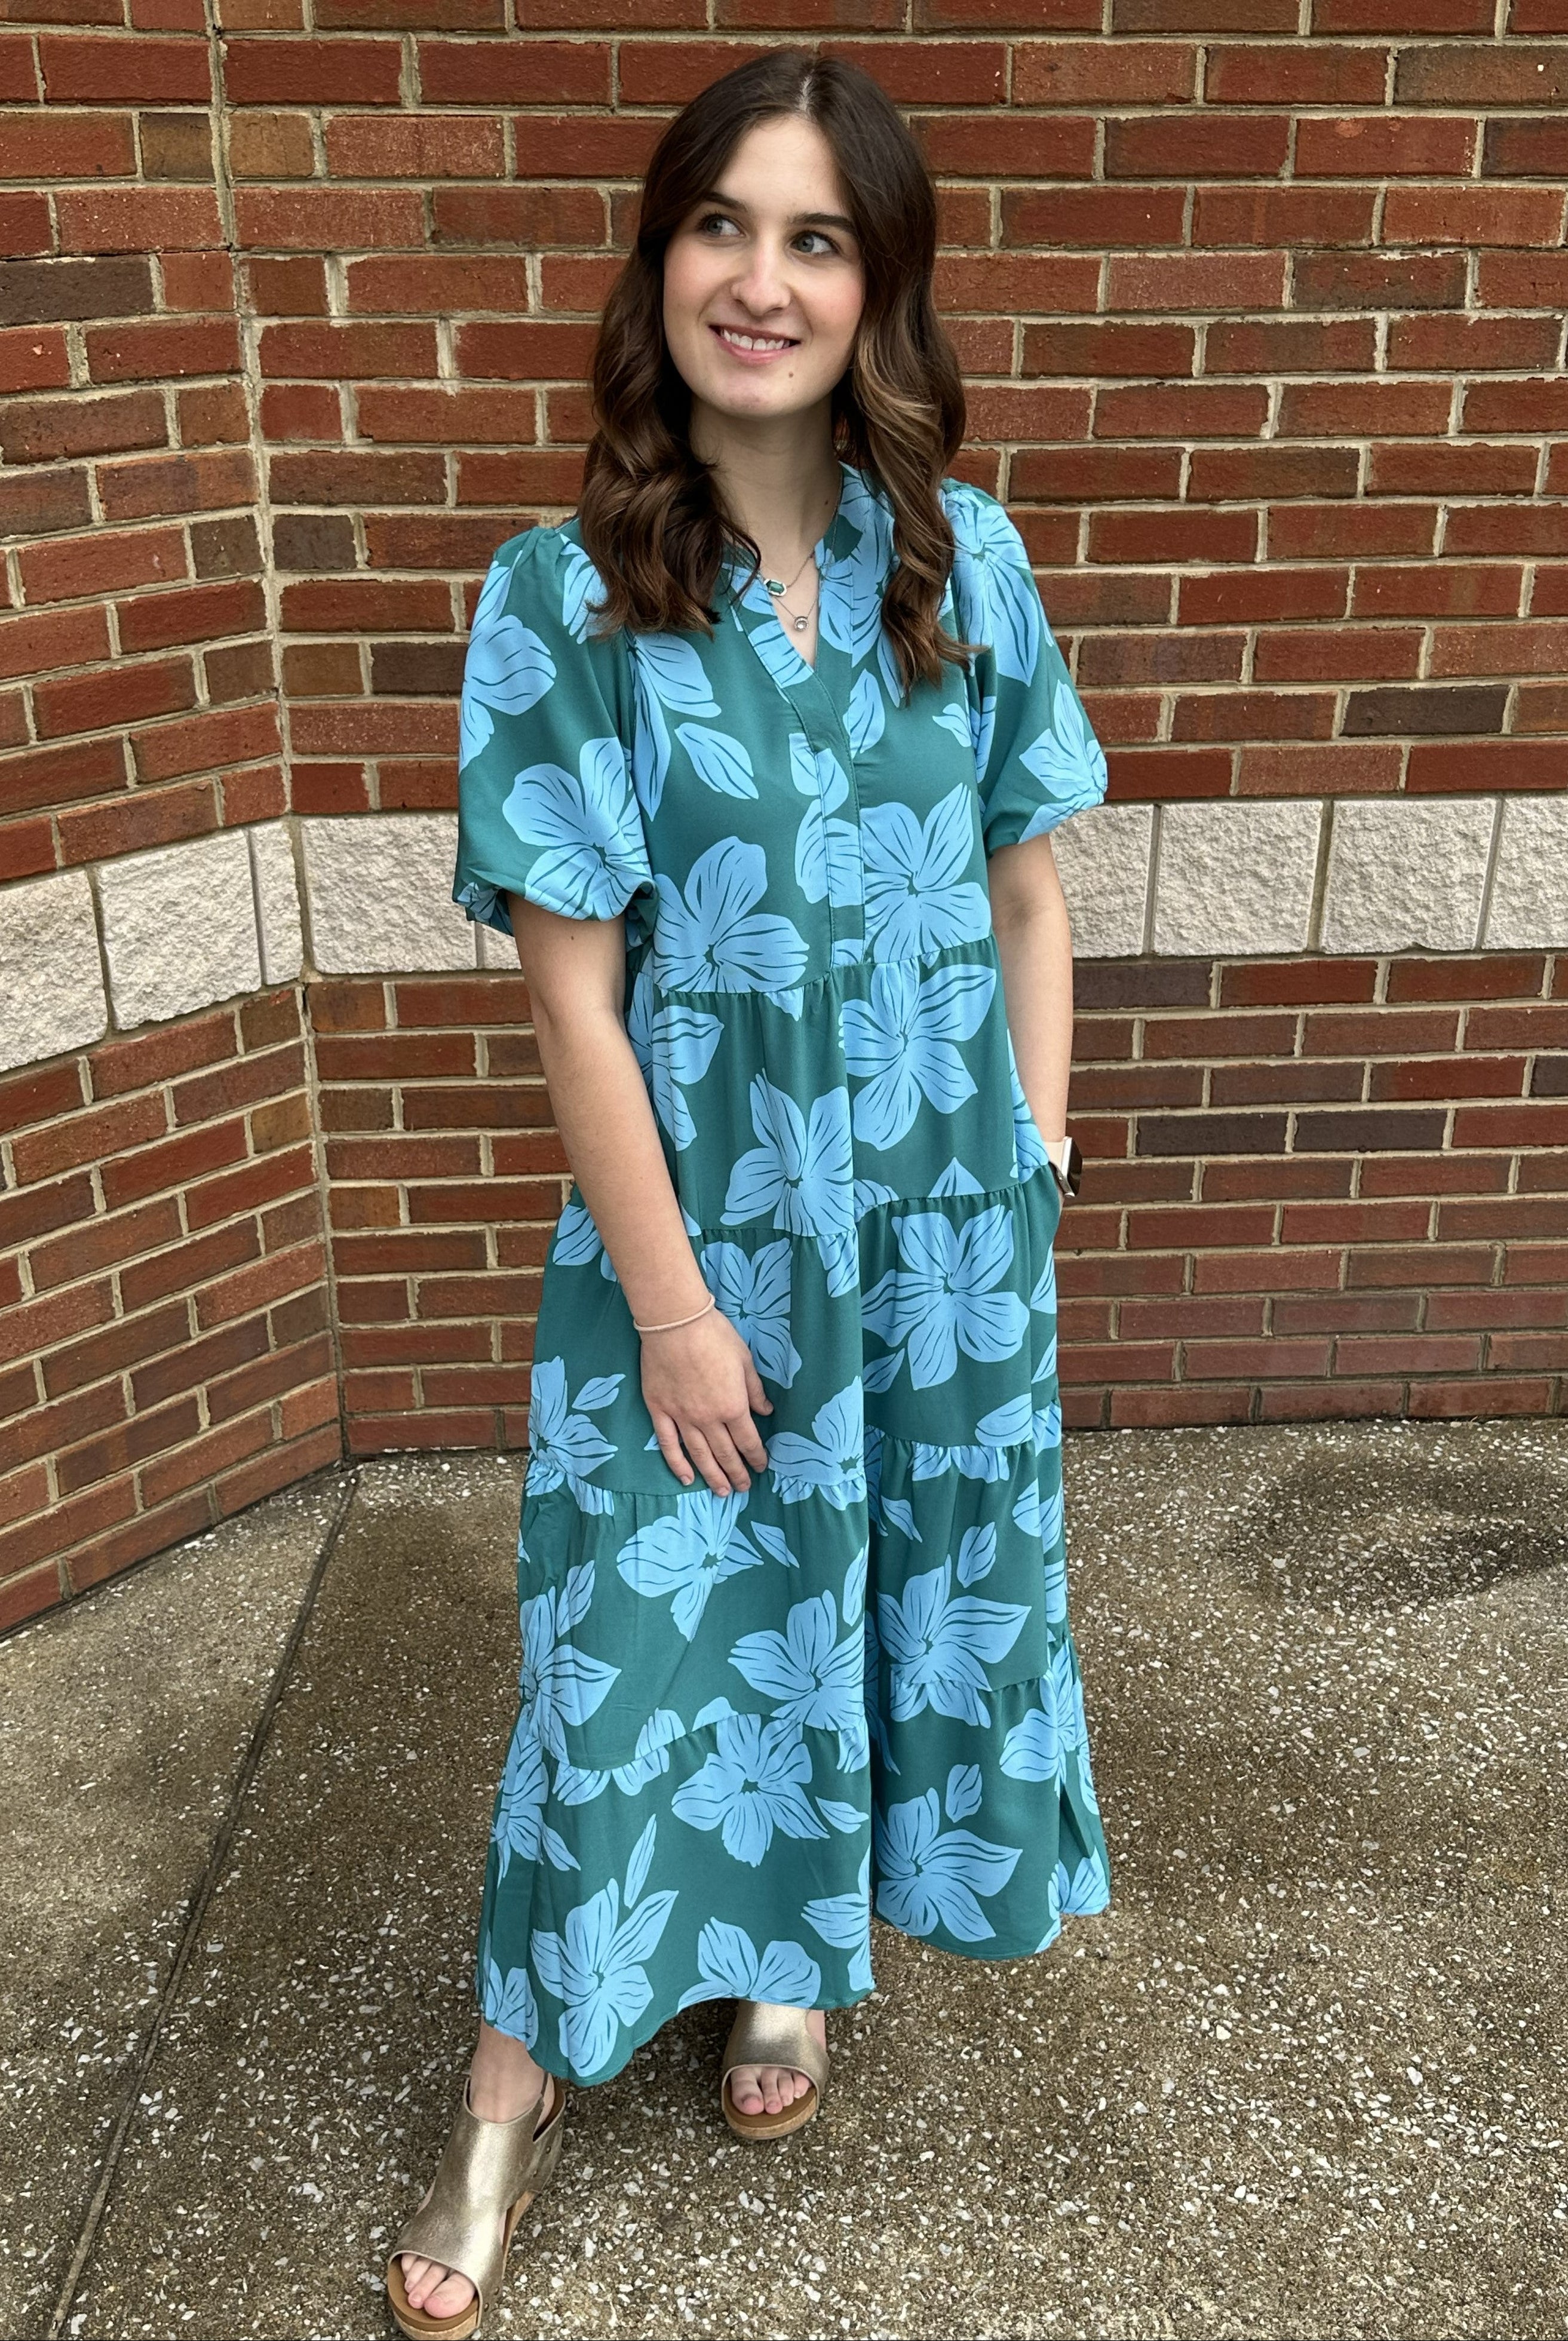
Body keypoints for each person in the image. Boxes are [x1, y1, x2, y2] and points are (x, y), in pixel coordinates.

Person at [387, 47, 1111, 2340]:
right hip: (688, 1268)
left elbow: (1027, 897)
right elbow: (575, 1006)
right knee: (630, 1666)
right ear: (659, 259)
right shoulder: (563, 596)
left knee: (874, 1621)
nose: (762, 279)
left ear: (878, 283)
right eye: (722, 225)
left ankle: (786, 1978)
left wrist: (1040, 1159)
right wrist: (682, 1313)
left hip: (945, 1251)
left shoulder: (961, 559)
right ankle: (508, 2094)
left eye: (816, 237)